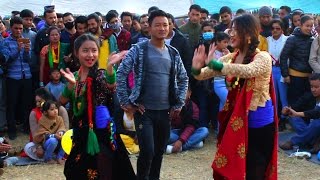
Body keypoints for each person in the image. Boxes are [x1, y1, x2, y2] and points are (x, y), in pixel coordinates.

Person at [191, 14, 277, 180]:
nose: (230, 34)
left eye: (234, 30)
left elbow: (248, 70)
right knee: (237, 164)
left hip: (259, 121)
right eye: (230, 29)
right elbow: (204, 74)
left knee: (256, 164)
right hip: (238, 118)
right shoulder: (231, 57)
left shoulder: (263, 57)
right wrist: (196, 69)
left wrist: (216, 65)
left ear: (248, 33)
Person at [116, 10, 188, 180]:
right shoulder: (139, 49)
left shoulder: (173, 53)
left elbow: (184, 78)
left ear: (170, 26)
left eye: (165, 25)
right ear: (149, 27)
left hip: (165, 111)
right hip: (144, 111)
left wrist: (178, 105)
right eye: (158, 25)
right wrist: (126, 101)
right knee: (147, 151)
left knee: (159, 152)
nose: (162, 28)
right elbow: (121, 73)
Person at [60, 34, 135, 179]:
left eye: (94, 50)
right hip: (80, 133)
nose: (90, 55)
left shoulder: (101, 74)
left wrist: (109, 67)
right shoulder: (74, 76)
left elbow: (111, 86)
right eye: (85, 50)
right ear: (76, 53)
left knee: (104, 168)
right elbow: (62, 101)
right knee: (74, 169)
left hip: (101, 132)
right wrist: (70, 85)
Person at [2, 17, 33, 139]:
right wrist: (18, 50)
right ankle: (12, 130)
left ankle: (26, 127)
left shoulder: (27, 40)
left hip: (26, 75)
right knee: (12, 104)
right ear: (11, 28)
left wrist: (26, 51)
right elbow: (6, 61)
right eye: (16, 28)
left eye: (20, 28)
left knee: (26, 103)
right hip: (12, 77)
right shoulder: (5, 42)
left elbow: (28, 60)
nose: (19, 31)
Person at [280, 73, 320, 153]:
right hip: (310, 128)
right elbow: (295, 106)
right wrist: (286, 111)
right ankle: (313, 142)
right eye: (311, 87)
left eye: (316, 87)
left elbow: (316, 112)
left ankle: (293, 141)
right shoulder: (309, 96)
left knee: (317, 123)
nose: (313, 89)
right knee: (292, 117)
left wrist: (297, 113)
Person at [280, 15, 314, 106]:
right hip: (295, 77)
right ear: (301, 25)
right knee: (295, 103)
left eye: (311, 26)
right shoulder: (292, 39)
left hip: (309, 78)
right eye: (307, 26)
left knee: (307, 103)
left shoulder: (313, 40)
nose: (309, 28)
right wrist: (285, 75)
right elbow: (283, 57)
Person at [166, 86, 209, 154]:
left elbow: (191, 126)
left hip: (189, 132)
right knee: (167, 135)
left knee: (204, 131)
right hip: (175, 132)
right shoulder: (171, 104)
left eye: (185, 92)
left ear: (190, 93)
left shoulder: (193, 107)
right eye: (179, 91)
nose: (182, 94)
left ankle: (179, 148)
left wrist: (181, 141)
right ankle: (194, 143)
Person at [267, 19, 289, 130]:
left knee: (283, 97)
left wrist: (286, 73)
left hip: (282, 70)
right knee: (273, 96)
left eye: (278, 28)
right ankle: (275, 119)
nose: (275, 30)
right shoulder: (267, 40)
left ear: (282, 29)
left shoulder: (287, 40)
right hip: (271, 70)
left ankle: (283, 119)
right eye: (273, 28)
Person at [33, 100, 66, 164]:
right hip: (47, 143)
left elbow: (62, 128)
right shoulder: (42, 120)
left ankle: (59, 157)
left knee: (67, 138)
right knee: (53, 140)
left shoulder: (59, 119)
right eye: (52, 109)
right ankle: (48, 158)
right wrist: (54, 136)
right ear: (45, 112)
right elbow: (41, 134)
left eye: (56, 108)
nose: (55, 111)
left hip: (59, 141)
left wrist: (60, 133)